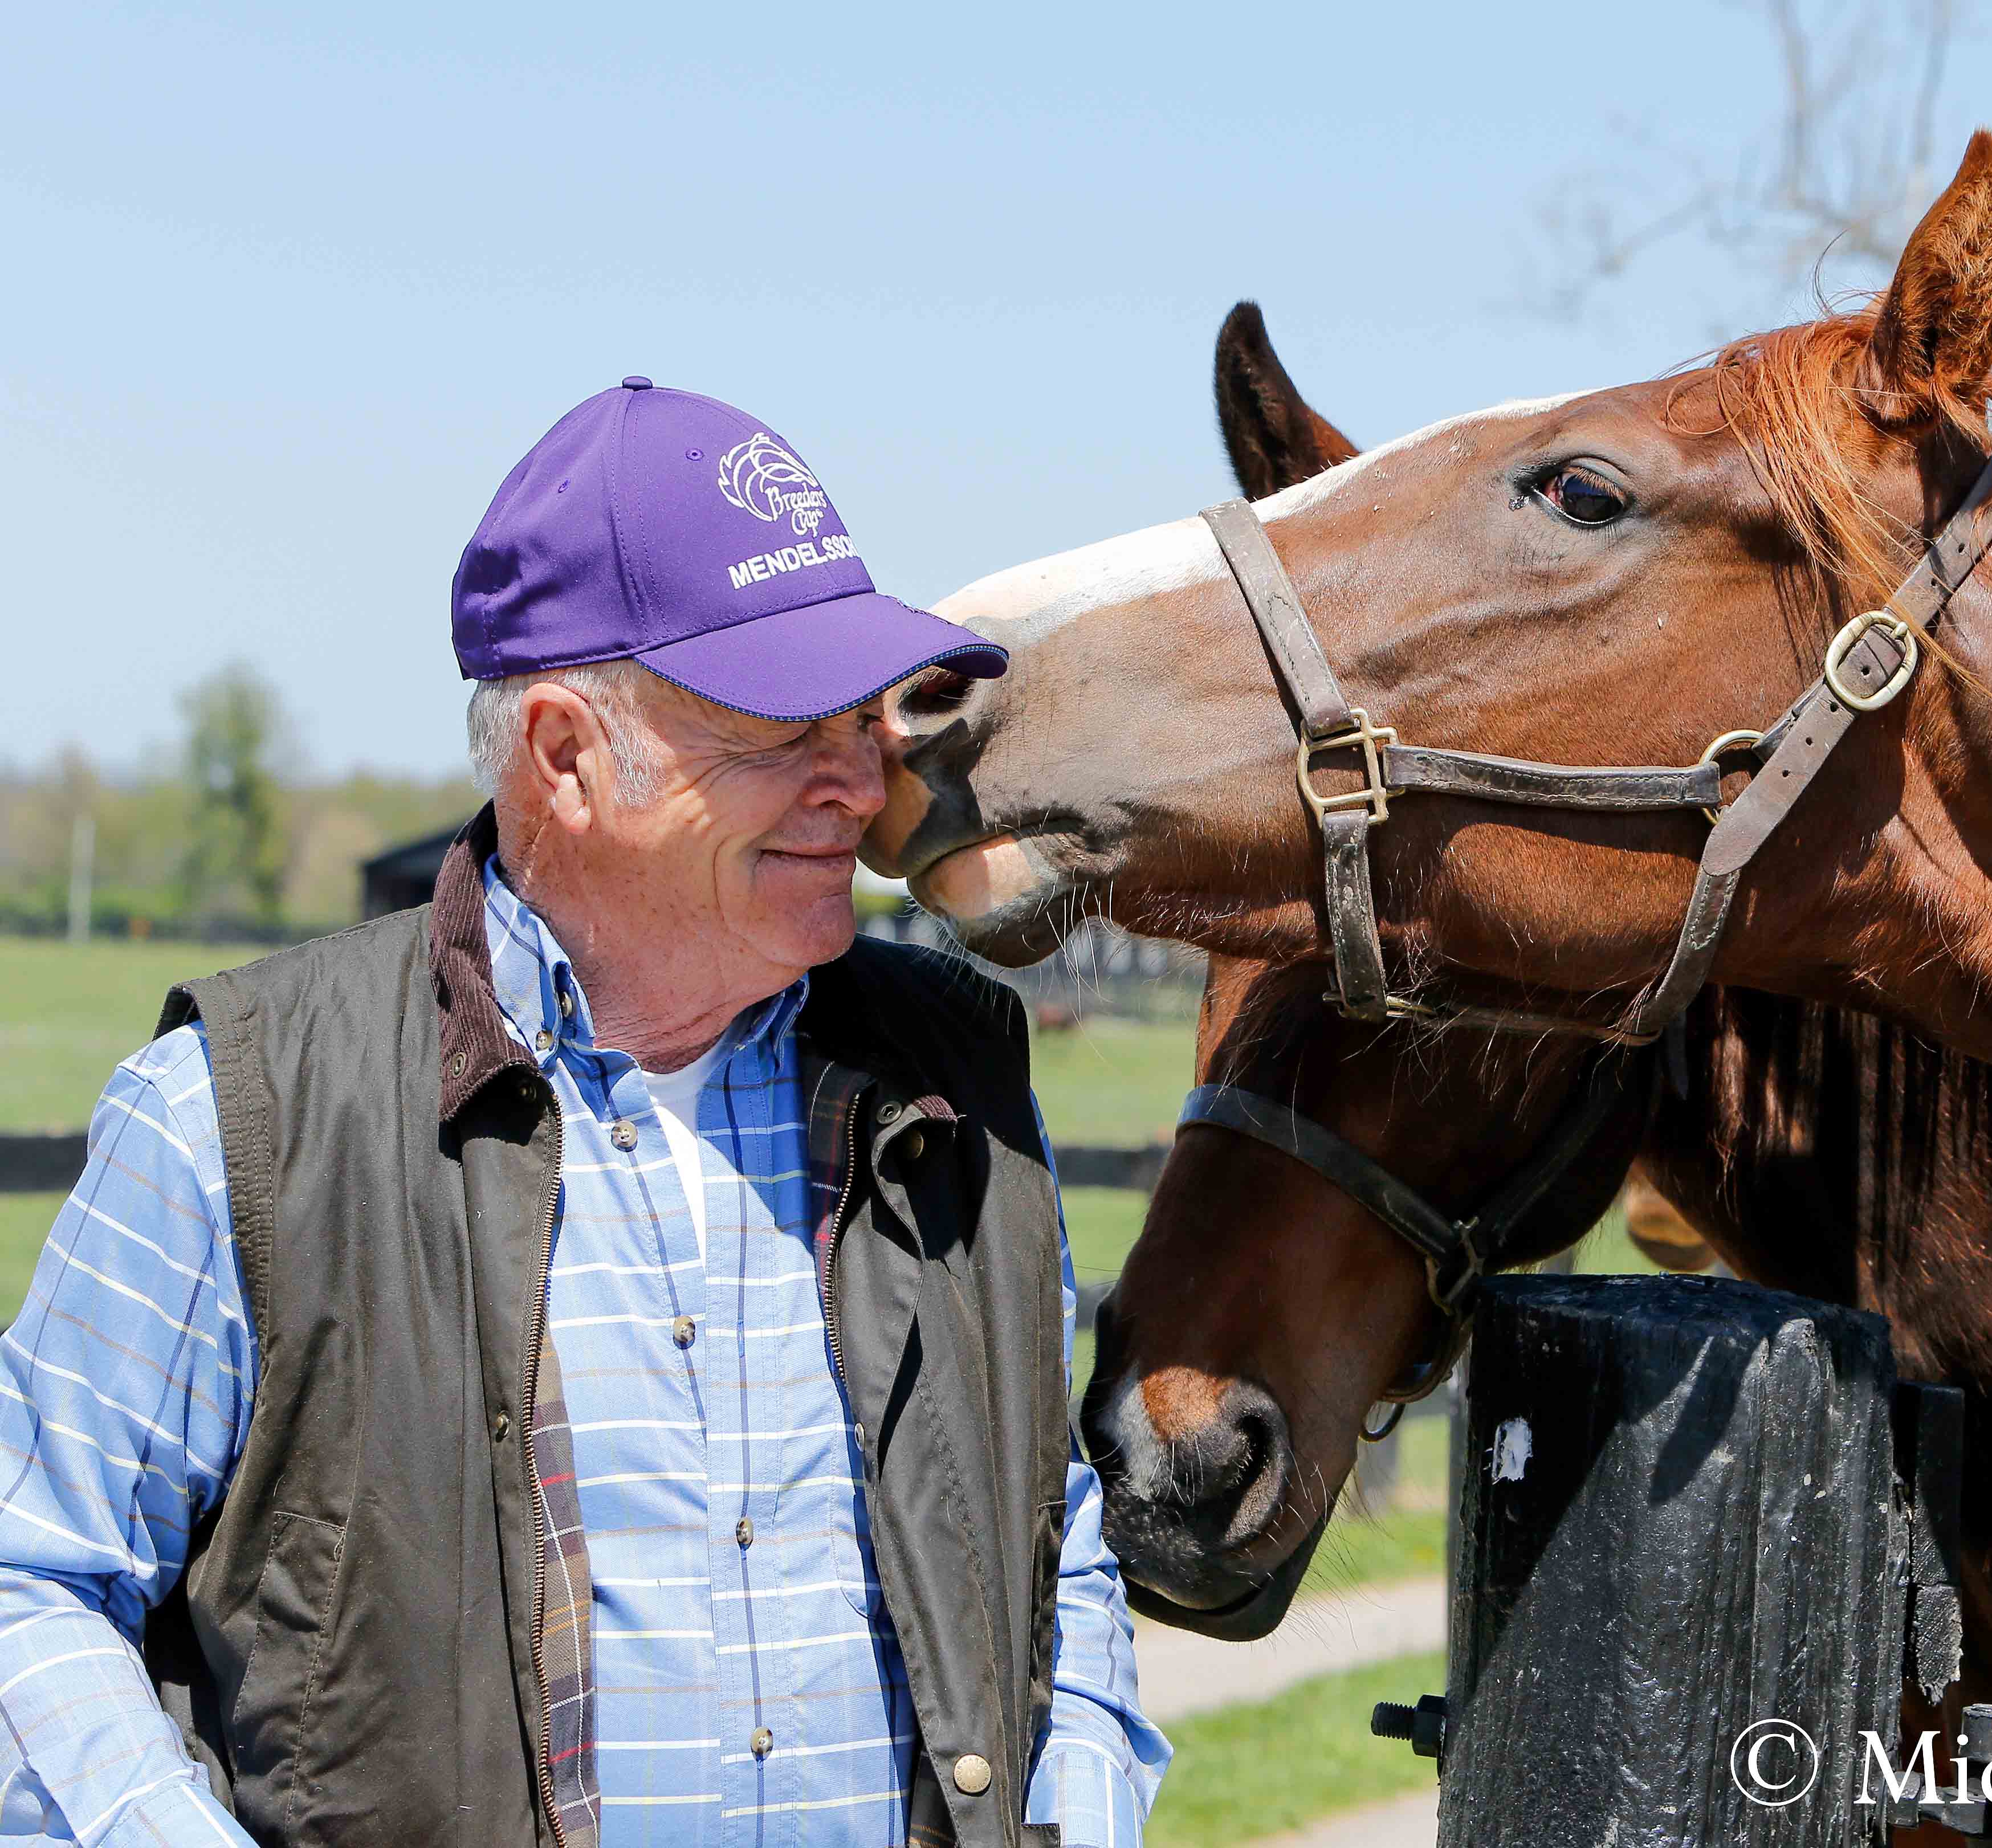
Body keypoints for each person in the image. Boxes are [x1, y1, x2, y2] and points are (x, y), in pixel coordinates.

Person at [0, 377, 1166, 1847]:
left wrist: (1089, 1809)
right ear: (565, 754)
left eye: (864, 718)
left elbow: (1040, 1539)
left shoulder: (961, 1083)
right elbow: (30, 1579)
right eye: (785, 729)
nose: (861, 783)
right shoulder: (234, 1112)